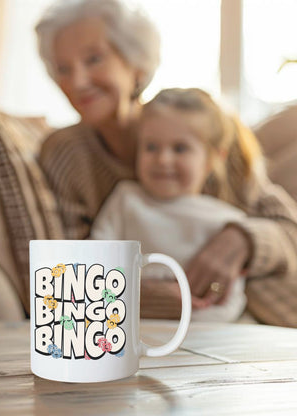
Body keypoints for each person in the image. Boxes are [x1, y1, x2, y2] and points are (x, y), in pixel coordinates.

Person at [35, 0, 297, 323]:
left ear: (137, 64)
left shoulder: (201, 128)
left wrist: (243, 239)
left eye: (94, 59)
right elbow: (63, 272)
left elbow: (290, 229)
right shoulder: (65, 154)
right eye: (63, 68)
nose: (77, 82)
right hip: (152, 331)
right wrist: (141, 297)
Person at [91, 88, 252, 321]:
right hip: (129, 329)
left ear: (213, 158)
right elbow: (94, 262)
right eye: (151, 147)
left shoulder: (229, 222)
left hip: (205, 336)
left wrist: (192, 317)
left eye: (180, 148)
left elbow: (230, 301)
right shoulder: (125, 199)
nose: (163, 160)